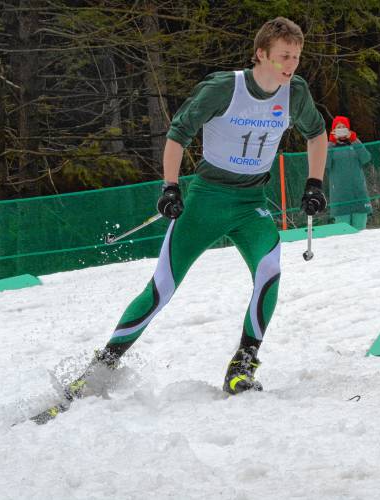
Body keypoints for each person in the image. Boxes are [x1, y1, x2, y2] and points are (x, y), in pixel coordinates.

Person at [45, 17, 328, 413]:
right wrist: (171, 187)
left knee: (270, 271)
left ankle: (242, 365)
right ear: (261, 53)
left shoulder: (294, 93)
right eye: (284, 56)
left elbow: (317, 134)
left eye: (296, 57)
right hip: (207, 200)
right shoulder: (223, 88)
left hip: (251, 203)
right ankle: (100, 369)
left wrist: (314, 183)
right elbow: (178, 133)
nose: (291, 65)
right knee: (162, 288)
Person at [325, 116, 372, 230]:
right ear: (333, 130)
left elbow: (366, 158)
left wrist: (354, 139)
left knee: (360, 233)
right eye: (338, 127)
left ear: (349, 129)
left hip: (359, 194)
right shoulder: (330, 146)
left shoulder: (354, 144)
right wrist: (331, 142)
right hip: (340, 197)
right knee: (343, 236)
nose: (341, 129)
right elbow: (325, 164)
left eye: (344, 127)